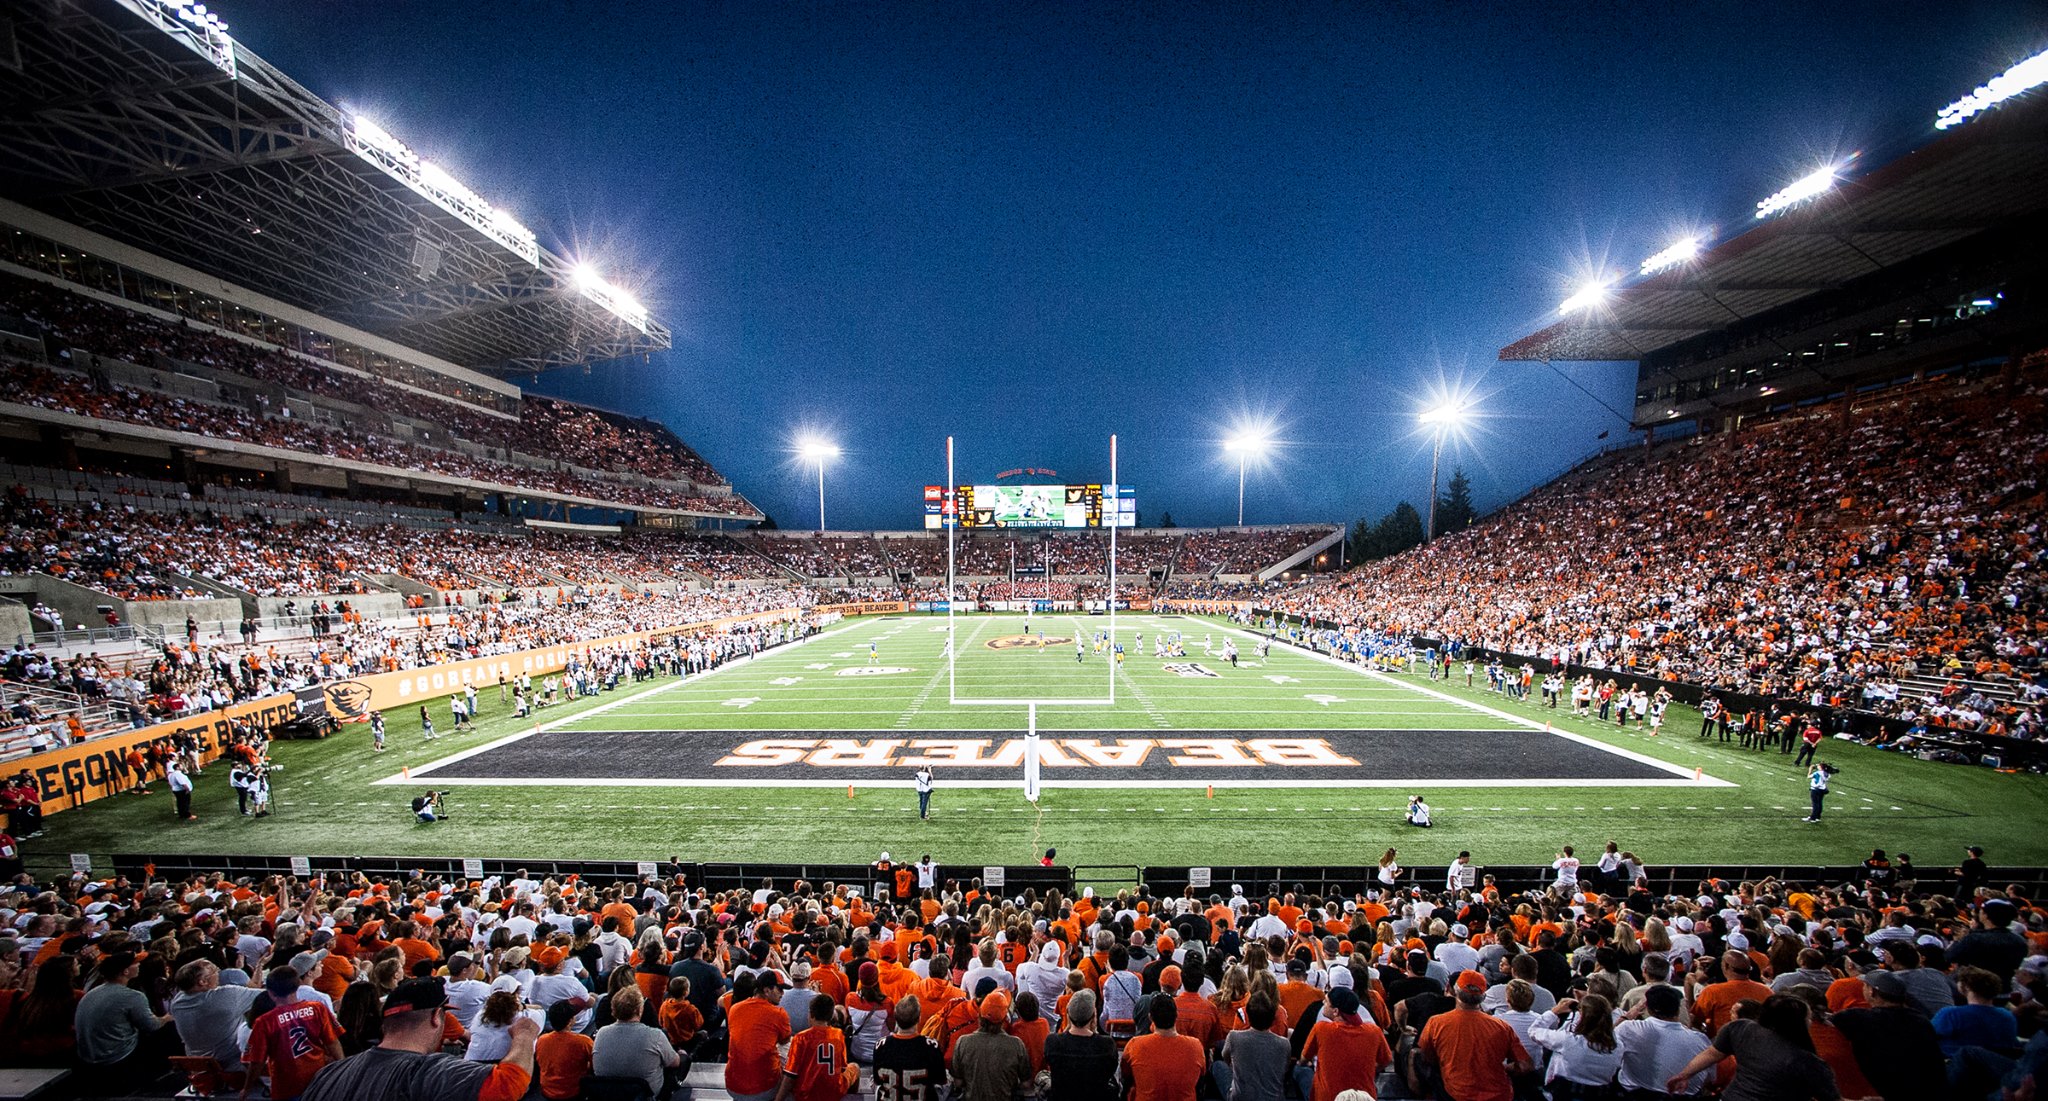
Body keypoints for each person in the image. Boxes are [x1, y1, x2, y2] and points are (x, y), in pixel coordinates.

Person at [299, 976, 537, 1101]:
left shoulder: (329, 1074)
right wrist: (524, 1035)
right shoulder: (428, 1071)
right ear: (436, 1016)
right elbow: (509, 1085)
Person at [1663, 994, 1838, 1100]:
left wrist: (1684, 1074)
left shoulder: (1741, 1028)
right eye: (1808, 1018)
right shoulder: (1808, 1062)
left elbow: (1711, 1054)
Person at [1415, 971, 1531, 1101]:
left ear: (1456, 991)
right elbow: (1524, 1066)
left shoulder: (1436, 1023)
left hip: (1456, 1093)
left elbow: (1426, 1056)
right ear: (1483, 996)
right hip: (1499, 1094)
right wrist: (1504, 1068)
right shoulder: (1502, 1027)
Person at [243, 965, 345, 1101]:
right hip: (318, 1079)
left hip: (286, 1085)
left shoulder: (265, 1021)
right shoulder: (317, 1008)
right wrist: (344, 1069)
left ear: (271, 993)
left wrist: (247, 1088)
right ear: (297, 986)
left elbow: (257, 1061)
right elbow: (333, 1042)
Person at [75, 952, 174, 1087]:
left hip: (89, 1056)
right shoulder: (132, 996)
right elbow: (151, 1025)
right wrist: (167, 1018)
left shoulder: (92, 993)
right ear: (125, 971)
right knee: (169, 1028)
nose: (139, 965)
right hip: (117, 1056)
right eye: (135, 963)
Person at [1298, 985, 1392, 1101]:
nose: (1323, 1002)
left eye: (1326, 1001)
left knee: (1299, 1070)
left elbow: (1304, 1059)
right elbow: (1386, 1060)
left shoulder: (1321, 1029)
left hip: (1327, 1097)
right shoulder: (1374, 1031)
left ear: (1336, 1011)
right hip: (1365, 1097)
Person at [1615, 983, 1711, 1096]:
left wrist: (1628, 1015)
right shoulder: (1701, 1040)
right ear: (1678, 1010)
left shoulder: (1628, 1028)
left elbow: (1605, 1042)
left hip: (1634, 1093)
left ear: (1648, 1009)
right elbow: (1709, 1078)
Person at [593, 987, 683, 1100]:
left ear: (613, 1009)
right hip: (645, 1095)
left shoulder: (601, 1033)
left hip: (608, 1094)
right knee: (682, 1058)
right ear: (639, 1010)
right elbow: (675, 1062)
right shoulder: (655, 1035)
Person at [951, 991, 1033, 1101]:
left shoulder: (963, 1042)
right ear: (1005, 1019)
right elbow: (1026, 1084)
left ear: (979, 1014)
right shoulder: (1016, 1045)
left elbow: (958, 1082)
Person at [1121, 993, 1204, 1101]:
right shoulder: (1195, 1046)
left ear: (1150, 1017)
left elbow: (1126, 1075)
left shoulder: (1135, 1045)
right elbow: (1201, 1079)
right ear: (1176, 1015)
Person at [726, 969, 793, 1101]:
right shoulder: (778, 1013)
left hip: (732, 1087)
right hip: (765, 1089)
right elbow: (785, 1041)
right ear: (767, 990)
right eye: (779, 989)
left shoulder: (735, 1008)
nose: (783, 993)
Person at [774, 994, 857, 1101]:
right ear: (831, 1016)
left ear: (811, 1015)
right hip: (833, 1093)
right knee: (855, 1067)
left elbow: (791, 1075)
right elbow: (842, 1068)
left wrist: (778, 1099)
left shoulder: (800, 1038)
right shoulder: (838, 1034)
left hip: (806, 1095)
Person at [873, 998, 948, 1101]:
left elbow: (877, 1080)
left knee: (873, 1079)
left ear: (896, 1018)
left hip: (891, 1096)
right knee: (948, 1077)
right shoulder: (932, 1046)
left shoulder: (881, 1045)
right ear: (919, 1019)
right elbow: (940, 1080)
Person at [1221, 994, 1290, 1101]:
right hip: (1274, 1097)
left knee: (1218, 1066)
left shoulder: (1234, 1037)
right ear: (1272, 1018)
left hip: (1240, 1097)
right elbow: (1284, 1068)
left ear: (1248, 1015)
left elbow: (1226, 1058)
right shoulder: (1284, 1044)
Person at [536, 1000, 595, 1101]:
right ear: (570, 1021)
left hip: (547, 1091)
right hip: (573, 1092)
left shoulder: (541, 1040)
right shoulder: (583, 1041)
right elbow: (594, 1064)